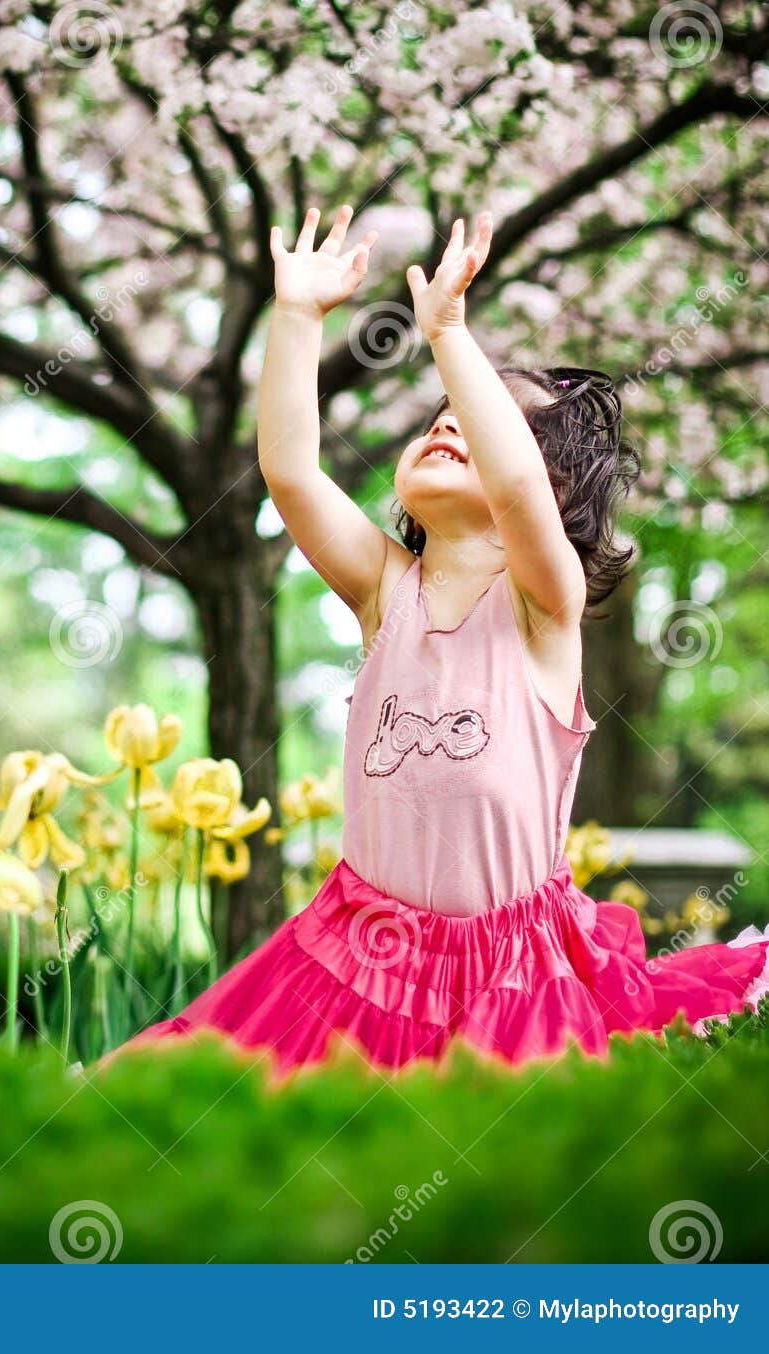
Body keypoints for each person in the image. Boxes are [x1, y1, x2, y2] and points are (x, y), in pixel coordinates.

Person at [130, 205, 768, 1072]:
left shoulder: (544, 604)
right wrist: (294, 316)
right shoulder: (385, 589)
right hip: (356, 952)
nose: (447, 420)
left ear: (552, 491)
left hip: (510, 972)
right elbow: (287, 469)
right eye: (440, 412)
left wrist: (451, 335)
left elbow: (514, 486)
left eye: (485, 418)